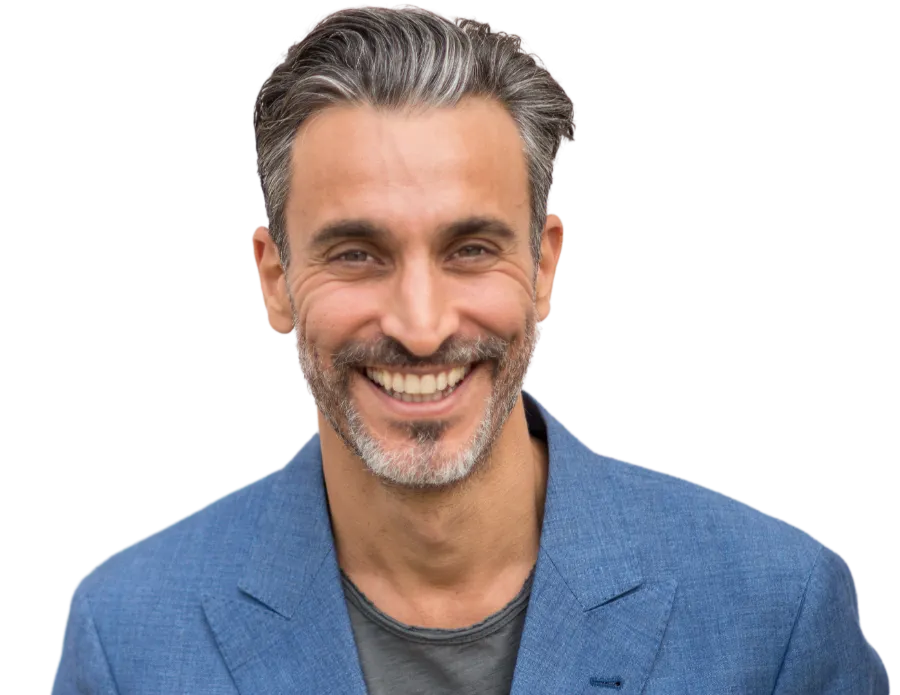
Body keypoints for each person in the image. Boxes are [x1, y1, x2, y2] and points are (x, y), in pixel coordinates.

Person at [50, 4, 891, 693]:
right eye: (357, 254)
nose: (421, 327)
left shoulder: (779, 610)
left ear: (545, 265)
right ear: (274, 280)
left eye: (471, 249)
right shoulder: (125, 635)